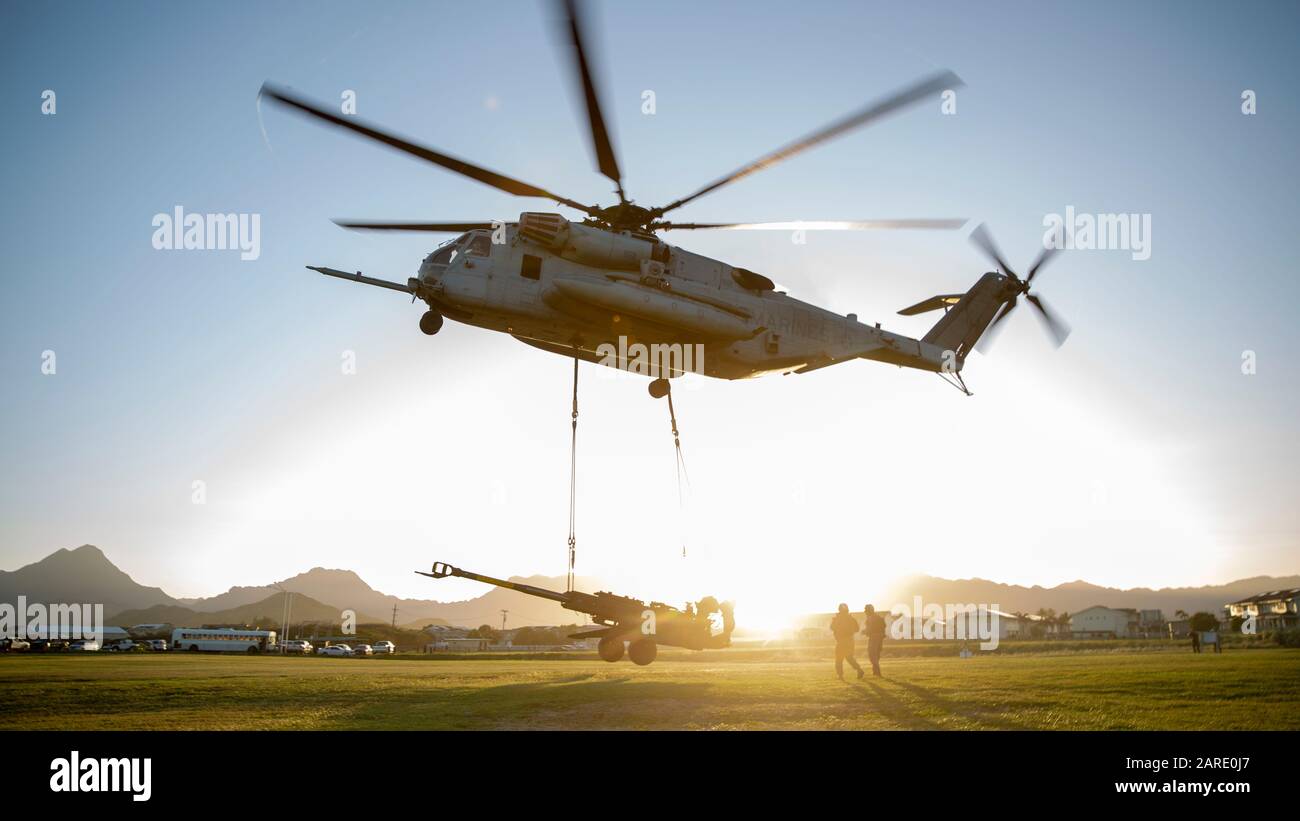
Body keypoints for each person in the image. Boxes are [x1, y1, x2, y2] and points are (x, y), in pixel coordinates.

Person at [830, 603, 864, 680]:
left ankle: (840, 675)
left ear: (839, 610)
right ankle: (859, 670)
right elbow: (857, 629)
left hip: (842, 640)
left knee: (839, 658)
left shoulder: (838, 618)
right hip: (850, 640)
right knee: (849, 657)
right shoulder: (851, 618)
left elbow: (832, 627)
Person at [863, 604, 887, 677]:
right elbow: (884, 626)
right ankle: (875, 671)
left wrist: (864, 632)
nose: (865, 612)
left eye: (866, 610)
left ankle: (878, 672)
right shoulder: (878, 617)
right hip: (880, 638)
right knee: (876, 655)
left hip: (874, 637)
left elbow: (869, 629)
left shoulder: (870, 618)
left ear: (869, 611)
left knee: (872, 654)